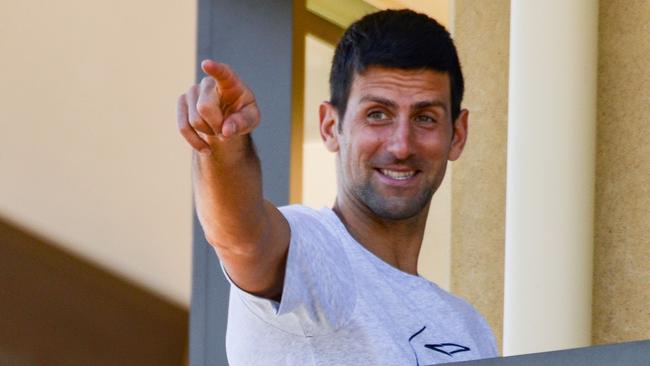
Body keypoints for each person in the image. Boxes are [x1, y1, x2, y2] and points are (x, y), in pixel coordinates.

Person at [177, 9, 497, 365]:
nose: (401, 146)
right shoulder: (319, 256)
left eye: (425, 118)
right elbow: (240, 237)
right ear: (331, 127)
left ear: (458, 134)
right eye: (377, 114)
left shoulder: (469, 328)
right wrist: (222, 144)